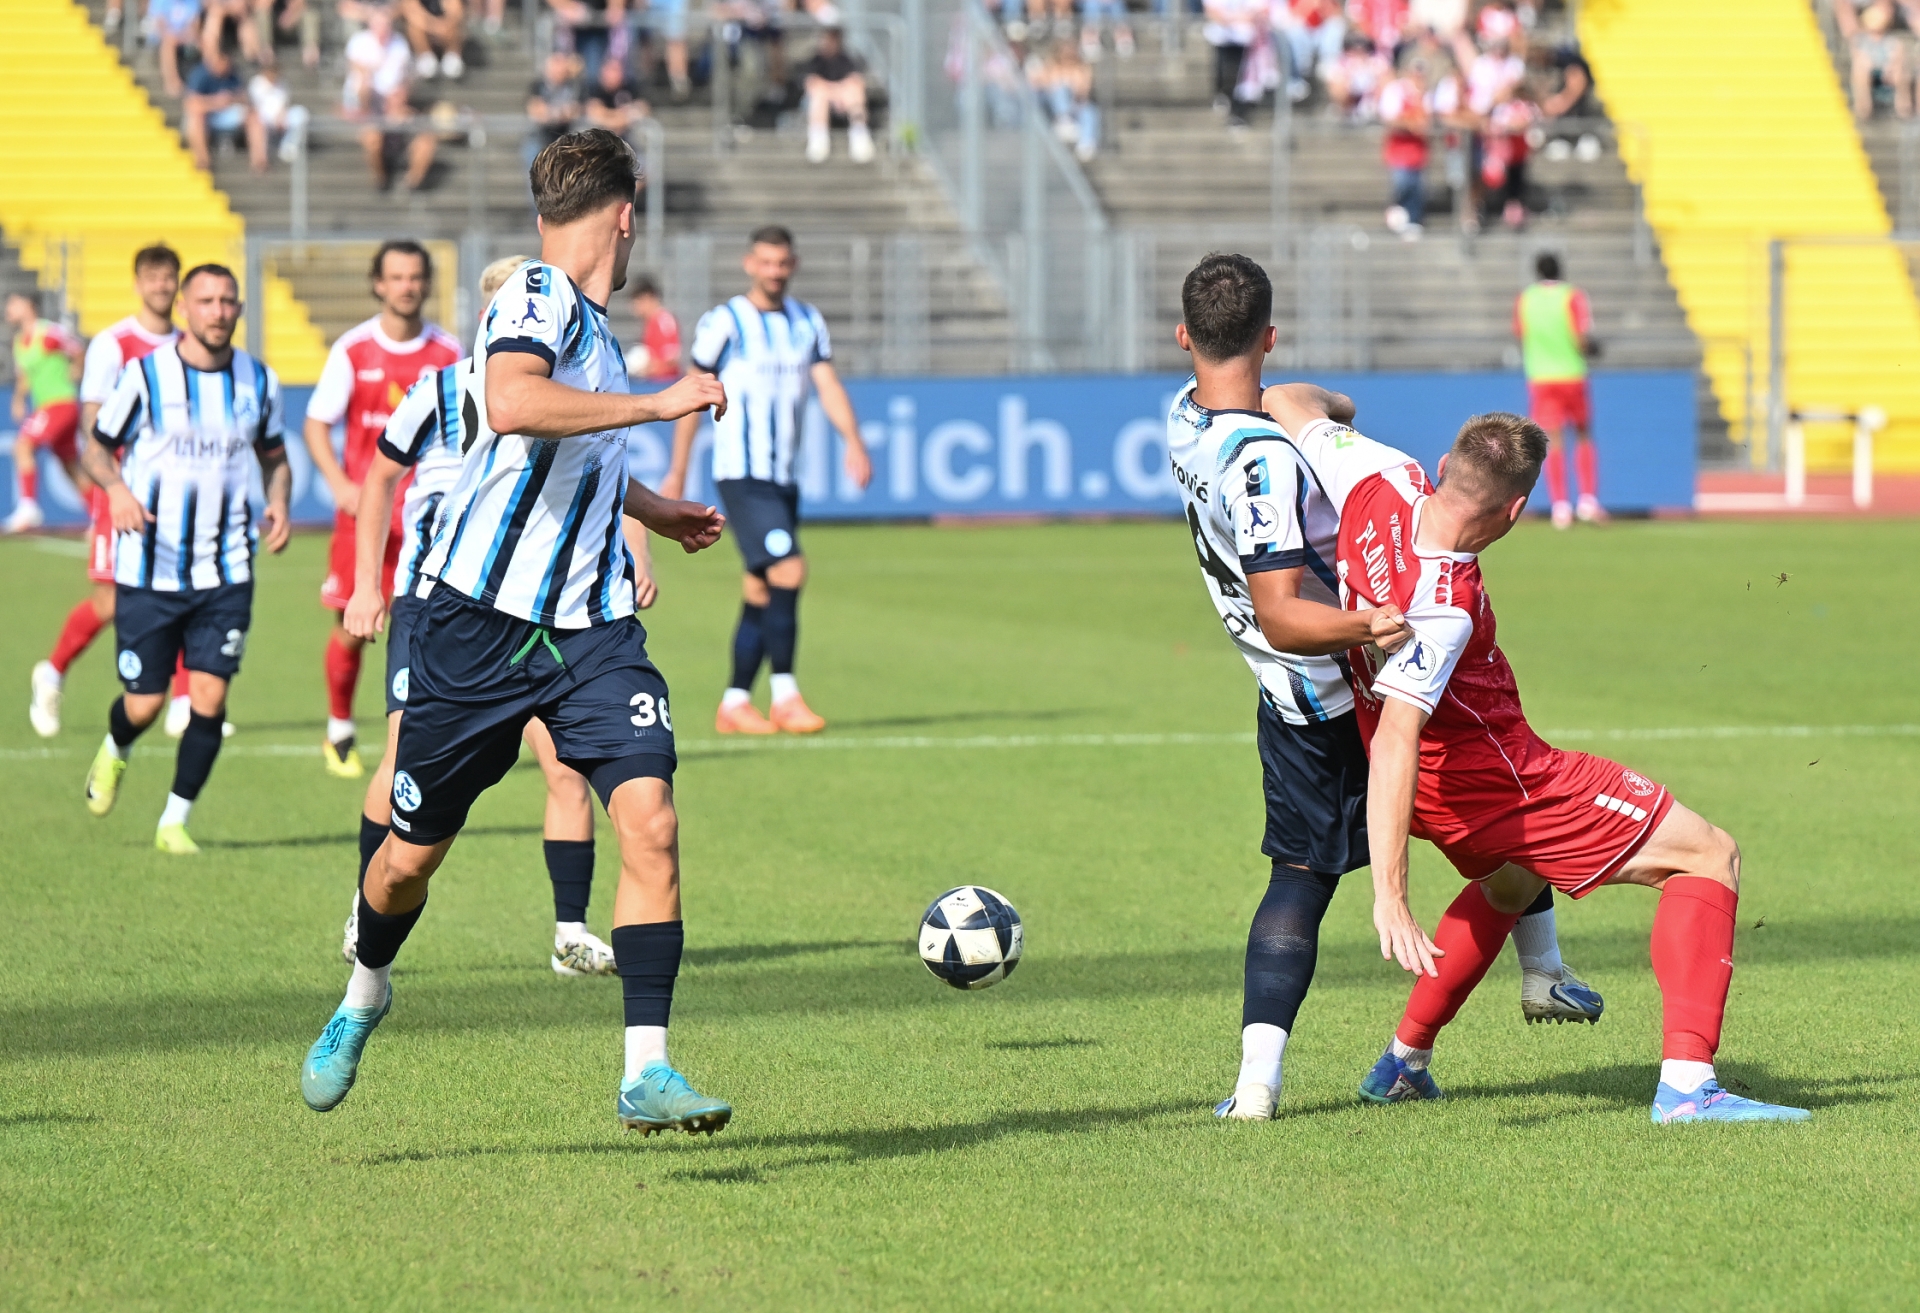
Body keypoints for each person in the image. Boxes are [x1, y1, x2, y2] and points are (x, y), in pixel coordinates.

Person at [297, 128, 735, 1137]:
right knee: (406, 862)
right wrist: (658, 401)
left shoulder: (596, 330)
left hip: (590, 634)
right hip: (477, 631)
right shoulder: (538, 293)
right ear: (626, 213)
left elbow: (569, 461)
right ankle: (365, 990)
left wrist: (656, 509)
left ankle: (646, 1068)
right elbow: (509, 401)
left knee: (651, 820)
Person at [1167, 255, 1599, 1123]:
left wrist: (1332, 412)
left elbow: (1293, 401)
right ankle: (1535, 970)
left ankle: (1260, 1085)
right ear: (1271, 335)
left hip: (1283, 690)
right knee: (1471, 807)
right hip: (1340, 685)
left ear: (1184, 338)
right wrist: (1370, 622)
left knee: (1327, 865)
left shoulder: (1184, 415)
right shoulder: (1266, 461)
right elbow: (1283, 613)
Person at [1310, 410, 1809, 1124]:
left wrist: (1321, 413)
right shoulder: (1443, 601)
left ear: (1444, 466)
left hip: (1438, 788)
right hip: (1502, 780)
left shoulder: (1379, 477)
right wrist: (1390, 895)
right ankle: (1688, 1089)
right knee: (1708, 854)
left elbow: (1290, 401)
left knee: (1511, 882)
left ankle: (1403, 1063)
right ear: (1516, 510)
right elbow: (1397, 737)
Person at [340, 255, 647, 977]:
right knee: (400, 756)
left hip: (542, 608)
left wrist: (640, 546)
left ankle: (570, 932)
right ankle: (368, 904)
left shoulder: (570, 392)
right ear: (490, 318)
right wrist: (366, 585)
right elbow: (380, 477)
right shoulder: (442, 389)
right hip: (438, 604)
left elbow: (599, 477)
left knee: (565, 766)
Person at [79, 264, 292, 855]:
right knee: (144, 704)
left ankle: (175, 820)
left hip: (227, 568)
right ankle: (117, 746)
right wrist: (116, 490)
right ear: (185, 308)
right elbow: (96, 449)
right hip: (150, 565)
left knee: (210, 698)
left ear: (239, 308)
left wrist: (278, 501)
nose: (218, 311)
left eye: (227, 301)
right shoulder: (146, 375)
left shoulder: (259, 380)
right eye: (206, 300)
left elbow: (275, 457)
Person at [662, 225, 872, 735]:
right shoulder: (726, 322)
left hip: (782, 476)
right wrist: (678, 469)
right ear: (750, 264)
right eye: (766, 262)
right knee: (789, 569)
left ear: (792, 265)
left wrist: (853, 440)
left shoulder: (807, 321)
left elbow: (827, 384)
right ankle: (785, 695)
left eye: (782, 263)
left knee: (761, 587)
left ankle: (734, 703)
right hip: (742, 473)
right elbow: (694, 391)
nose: (774, 272)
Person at [304, 242, 463, 777]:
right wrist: (340, 484)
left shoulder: (449, 352)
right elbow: (316, 425)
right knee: (353, 626)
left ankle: (423, 738)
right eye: (396, 277)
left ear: (427, 283)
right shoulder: (353, 351)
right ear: (378, 284)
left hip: (431, 522)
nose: (406, 287)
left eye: (415, 277)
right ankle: (339, 729)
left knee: (430, 633)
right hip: (367, 520)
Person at [30, 246, 187, 739]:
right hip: (122, 489)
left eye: (169, 277)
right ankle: (51, 672)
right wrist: (113, 483)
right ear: (138, 283)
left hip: (178, 492)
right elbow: (92, 419)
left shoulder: (189, 344)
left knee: (188, 588)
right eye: (152, 277)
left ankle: (185, 702)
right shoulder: (114, 344)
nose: (161, 285)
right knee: (111, 600)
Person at [1513, 252, 1599, 528]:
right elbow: (1580, 336)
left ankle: (1560, 507)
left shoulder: (1526, 299)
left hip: (1541, 376)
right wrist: (1592, 349)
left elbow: (1520, 333)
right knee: (1583, 435)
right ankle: (1587, 501)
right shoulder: (1572, 296)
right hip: (1572, 374)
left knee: (1554, 440)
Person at [7, 293, 84, 536]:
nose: (8, 308)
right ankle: (99, 513)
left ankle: (29, 508)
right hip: (45, 406)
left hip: (60, 403)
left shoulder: (49, 332)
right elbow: (24, 377)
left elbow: (77, 349)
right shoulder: (19, 341)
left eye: (14, 303)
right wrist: (19, 399)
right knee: (70, 466)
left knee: (23, 446)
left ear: (29, 305)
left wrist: (76, 370)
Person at [344, 4, 437, 190]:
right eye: (379, 25)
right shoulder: (359, 42)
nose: (382, 29)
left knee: (426, 137)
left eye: (385, 25)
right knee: (371, 134)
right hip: (368, 102)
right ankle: (380, 178)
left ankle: (412, 182)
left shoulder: (399, 44)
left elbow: (405, 79)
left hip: (393, 102)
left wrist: (397, 96)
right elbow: (359, 77)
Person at [182, 40, 269, 174]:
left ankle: (259, 159)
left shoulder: (232, 74)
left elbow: (244, 98)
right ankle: (202, 160)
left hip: (228, 114)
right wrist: (215, 103)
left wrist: (231, 99)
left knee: (254, 116)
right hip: (208, 116)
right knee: (195, 117)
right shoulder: (200, 74)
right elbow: (191, 103)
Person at [798, 16, 875, 165]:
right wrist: (834, 92)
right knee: (819, 93)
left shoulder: (847, 59)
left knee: (854, 90)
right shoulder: (815, 60)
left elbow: (855, 80)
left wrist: (839, 93)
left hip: (845, 101)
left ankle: (859, 134)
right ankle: (818, 139)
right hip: (820, 102)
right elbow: (812, 83)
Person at [1377, 58, 1431, 239]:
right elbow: (1390, 118)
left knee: (1416, 187)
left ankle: (1413, 220)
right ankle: (1398, 216)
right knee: (1402, 185)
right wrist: (1410, 123)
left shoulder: (1425, 94)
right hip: (1399, 150)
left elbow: (1427, 122)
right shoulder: (1396, 91)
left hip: (1418, 150)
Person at [623, 275, 681, 382]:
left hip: (665, 383)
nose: (634, 308)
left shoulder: (663, 320)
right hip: (655, 383)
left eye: (637, 302)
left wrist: (645, 369)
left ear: (647, 298)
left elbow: (672, 359)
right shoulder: (651, 323)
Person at [399, 0, 466, 79]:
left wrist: (443, 26)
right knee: (414, 28)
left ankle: (452, 57)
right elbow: (412, 11)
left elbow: (456, 12)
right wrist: (433, 27)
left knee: (455, 28)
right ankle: (425, 58)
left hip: (445, 30)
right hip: (424, 28)